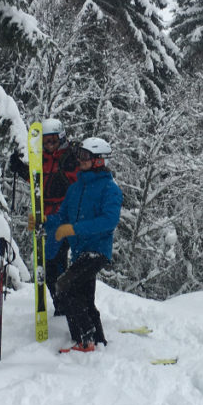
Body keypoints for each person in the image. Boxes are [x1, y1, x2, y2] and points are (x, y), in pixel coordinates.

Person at [44, 137, 123, 353]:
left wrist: (74, 229)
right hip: (79, 252)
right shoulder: (75, 189)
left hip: (97, 250)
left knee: (64, 286)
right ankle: (96, 341)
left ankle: (85, 339)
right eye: (79, 155)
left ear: (99, 160)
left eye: (86, 156)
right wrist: (42, 220)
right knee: (84, 297)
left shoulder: (110, 189)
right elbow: (62, 218)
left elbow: (109, 221)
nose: (80, 160)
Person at [11, 118, 79, 314]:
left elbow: (76, 182)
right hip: (46, 219)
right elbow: (38, 181)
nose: (50, 145)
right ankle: (62, 304)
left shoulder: (70, 158)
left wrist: (64, 181)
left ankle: (65, 304)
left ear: (62, 139)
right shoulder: (42, 158)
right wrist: (21, 168)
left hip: (65, 220)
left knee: (55, 264)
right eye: (46, 141)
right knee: (49, 266)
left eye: (54, 141)